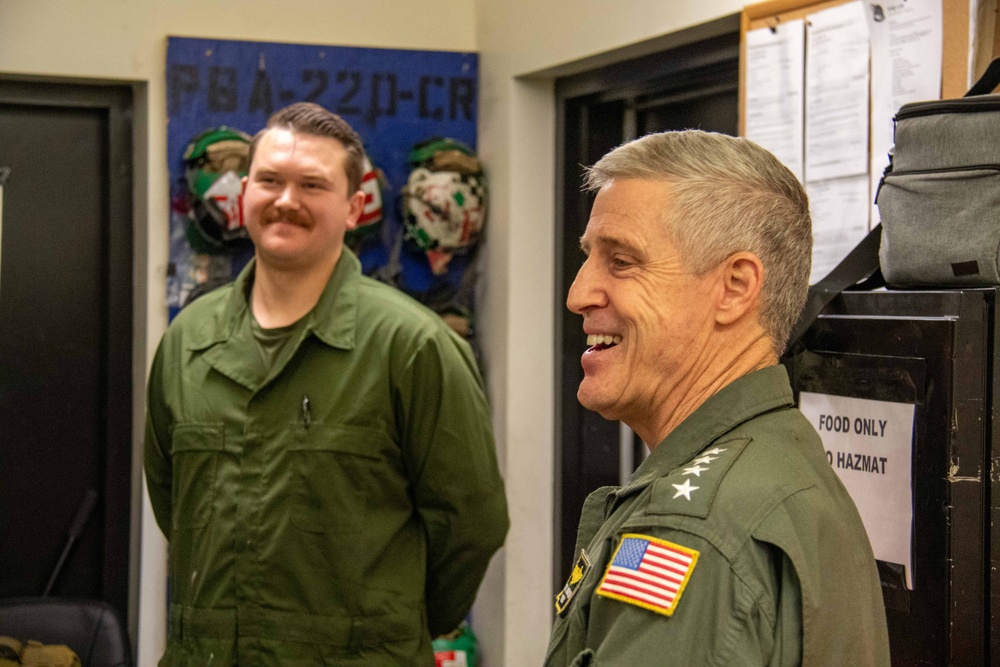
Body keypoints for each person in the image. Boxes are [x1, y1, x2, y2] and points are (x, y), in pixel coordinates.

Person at [144, 102, 509, 666]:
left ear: (355, 205)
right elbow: (173, 503)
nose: (286, 200)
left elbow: (471, 524)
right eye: (269, 180)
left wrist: (385, 626)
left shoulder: (411, 347)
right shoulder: (189, 340)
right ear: (245, 194)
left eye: (312, 184)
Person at [545, 131, 890, 666]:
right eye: (590, 256)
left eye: (622, 261)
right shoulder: (781, 458)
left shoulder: (690, 533)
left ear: (734, 287)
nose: (578, 294)